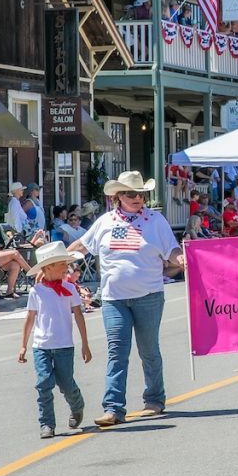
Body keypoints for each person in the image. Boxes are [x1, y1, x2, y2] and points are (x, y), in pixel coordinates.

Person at [67, 171, 185, 427]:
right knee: (116, 352)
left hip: (149, 296)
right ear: (118, 196)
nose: (137, 198)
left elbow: (172, 249)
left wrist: (181, 259)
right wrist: (57, 260)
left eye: (141, 194)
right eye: (131, 193)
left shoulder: (156, 221)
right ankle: (113, 408)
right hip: (114, 298)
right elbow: (82, 245)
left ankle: (154, 399)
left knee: (149, 350)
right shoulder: (105, 221)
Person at [18, 242, 92, 439]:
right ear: (47, 267)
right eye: (61, 264)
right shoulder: (37, 292)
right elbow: (30, 318)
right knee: (43, 383)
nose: (65, 268)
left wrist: (85, 343)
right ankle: (47, 423)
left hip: (64, 346)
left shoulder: (70, 288)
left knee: (66, 383)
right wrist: (23, 346)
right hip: (42, 346)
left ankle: (77, 406)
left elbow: (78, 315)